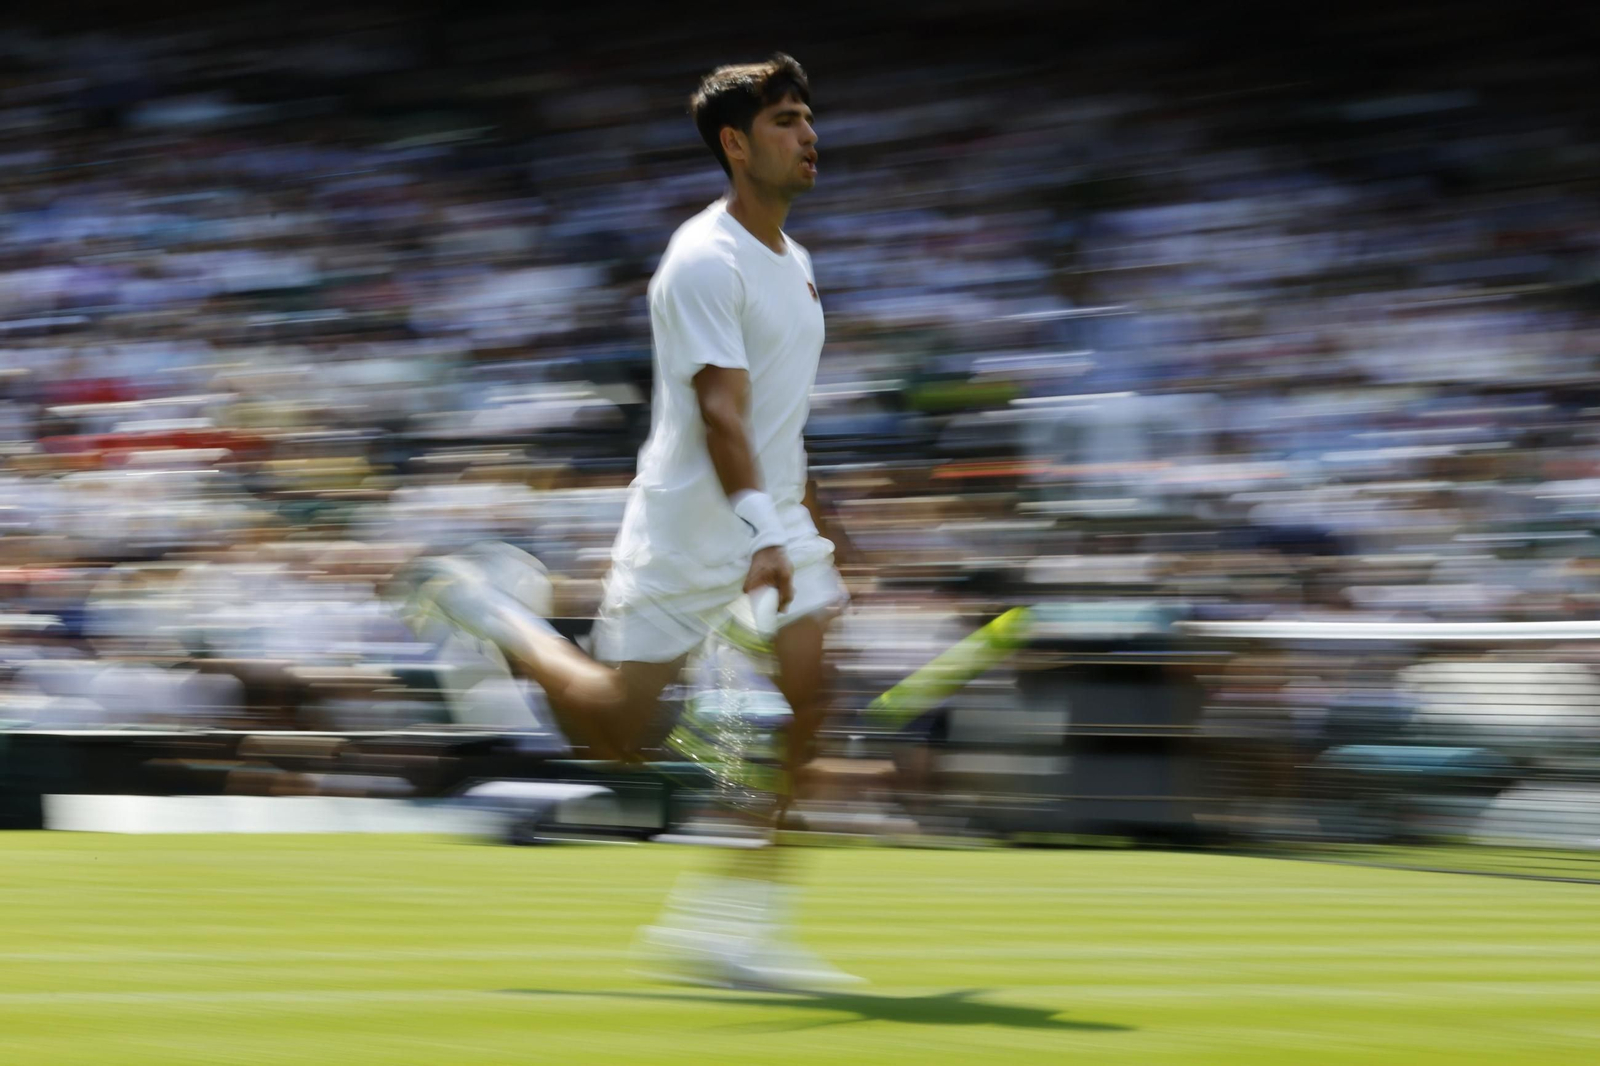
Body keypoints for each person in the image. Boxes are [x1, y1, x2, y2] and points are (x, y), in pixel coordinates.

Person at [397, 53, 858, 990]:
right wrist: (767, 531)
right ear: (736, 145)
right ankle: (485, 609)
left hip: (772, 519)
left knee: (812, 702)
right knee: (614, 731)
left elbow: (778, 414)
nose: (808, 136)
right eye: (785, 122)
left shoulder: (798, 262)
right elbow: (723, 415)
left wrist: (812, 517)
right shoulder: (702, 259)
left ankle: (735, 930)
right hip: (691, 527)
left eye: (808, 118)